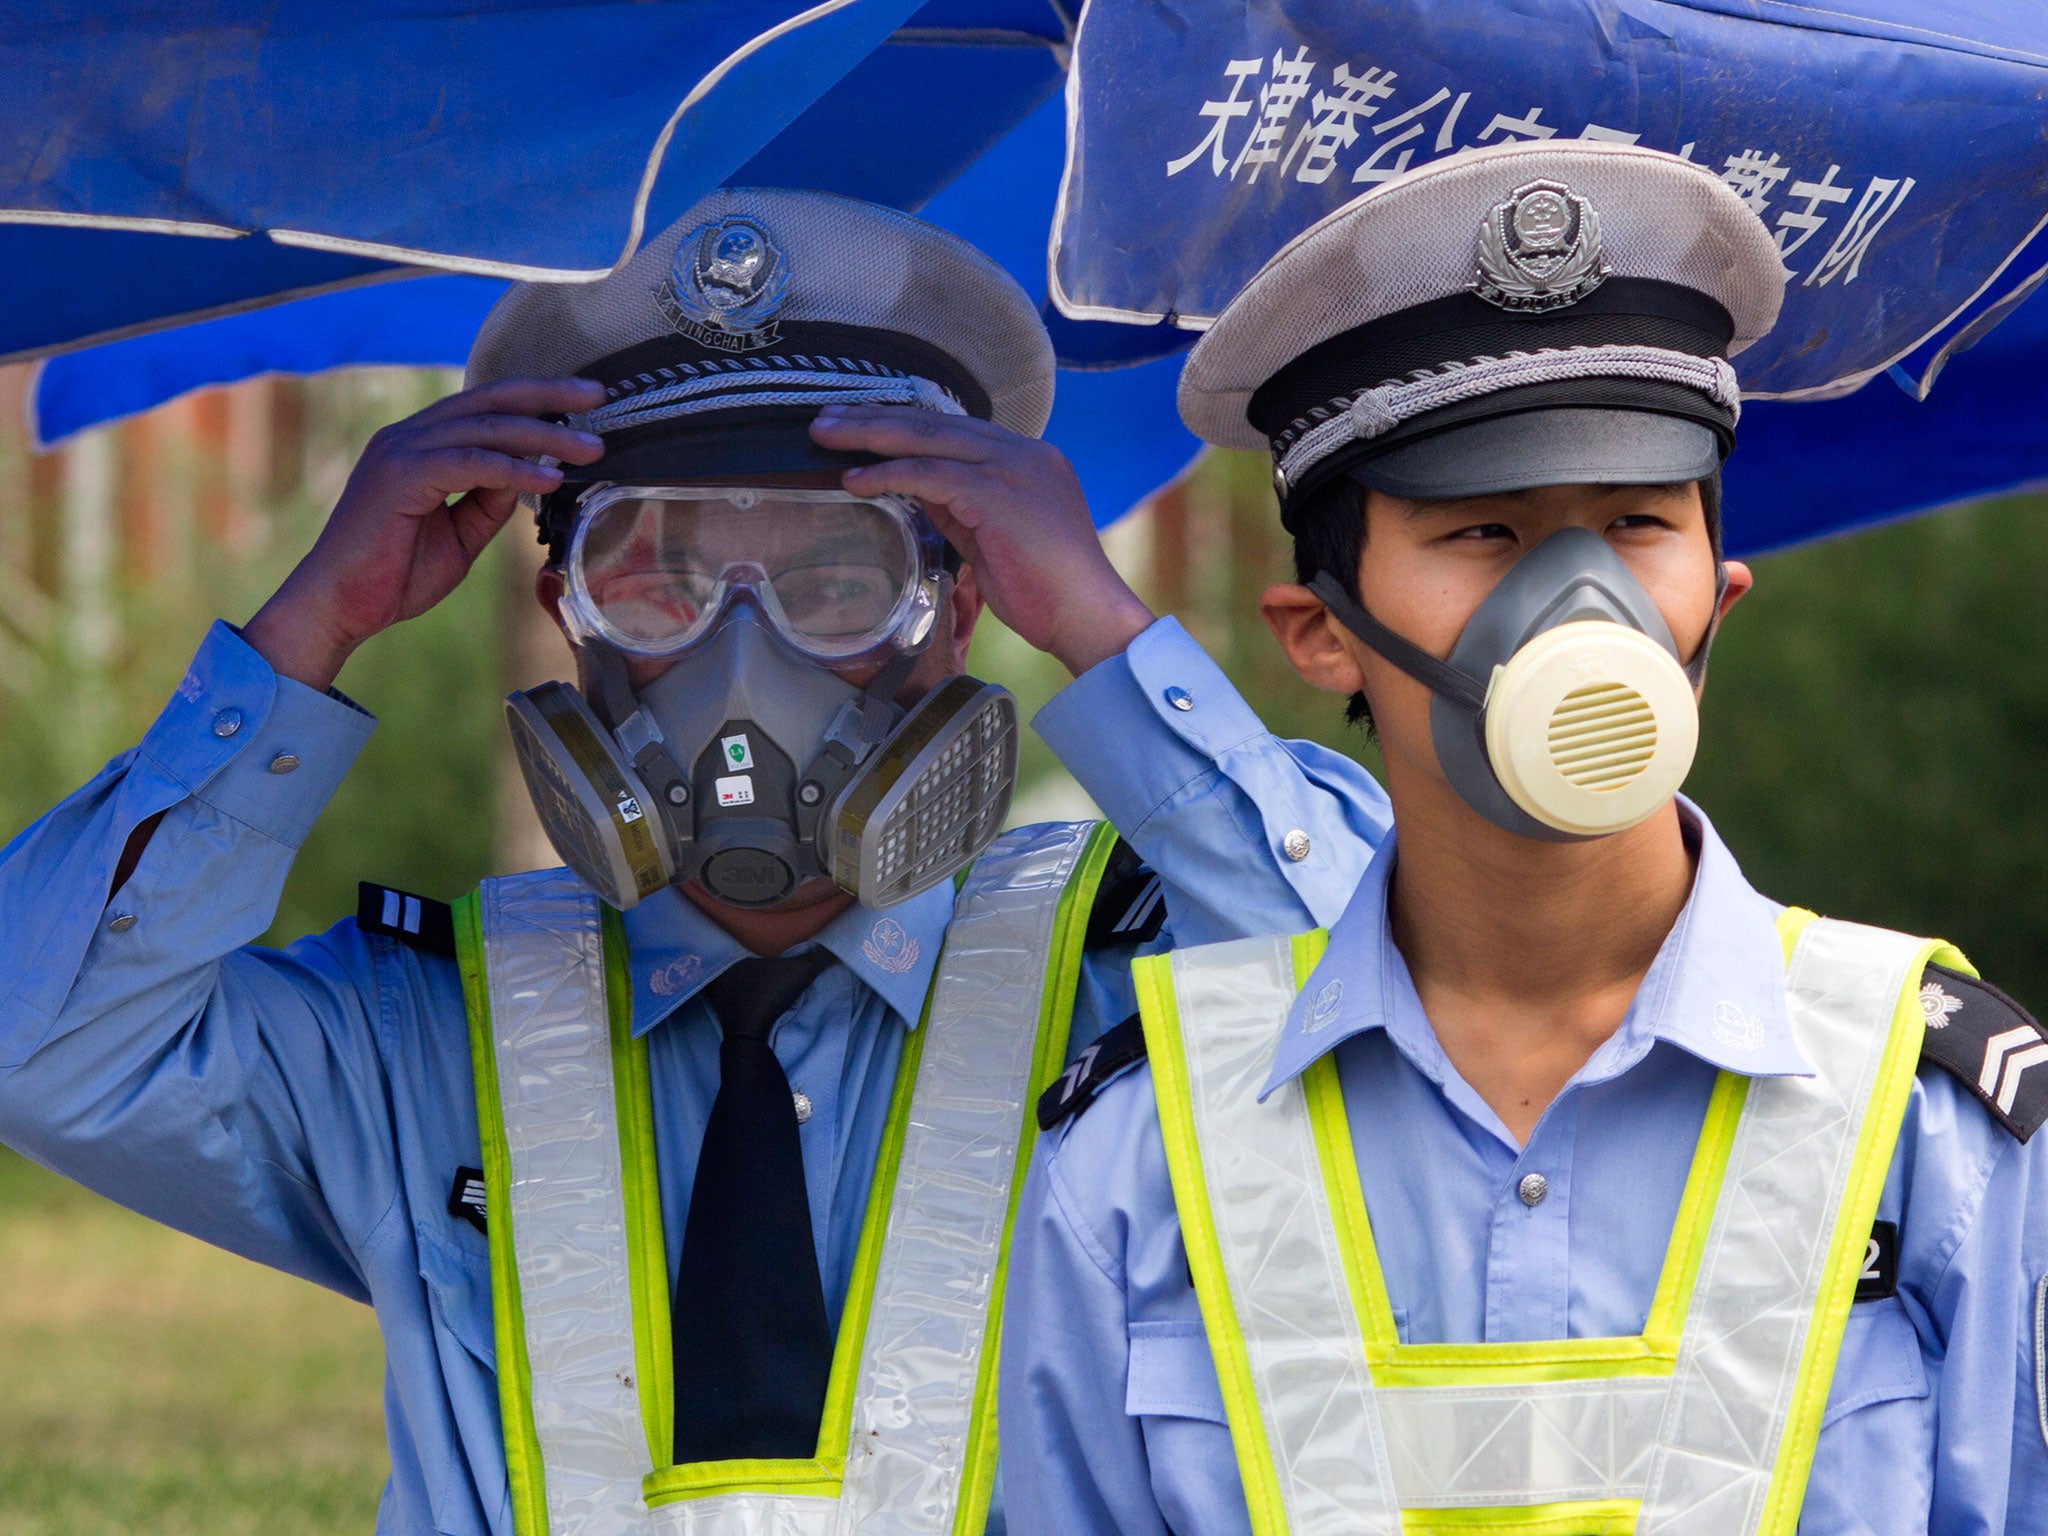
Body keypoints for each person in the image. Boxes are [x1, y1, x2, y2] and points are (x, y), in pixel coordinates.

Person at [0, 189, 1392, 1536]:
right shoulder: (421, 1036)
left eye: (836, 581)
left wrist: (1107, 633)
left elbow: (1417, 1011)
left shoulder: (1134, 994)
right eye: (657, 578)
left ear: (960, 606)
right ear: (568, 614)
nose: (744, 662)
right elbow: (35, 1040)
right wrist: (311, 625)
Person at [1001, 141, 2048, 1535]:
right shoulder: (1140, 1151)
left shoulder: (1937, 1125)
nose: (1579, 608)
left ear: (1718, 602)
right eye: (1486, 533)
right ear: (1324, 637)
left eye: (1634, 524)